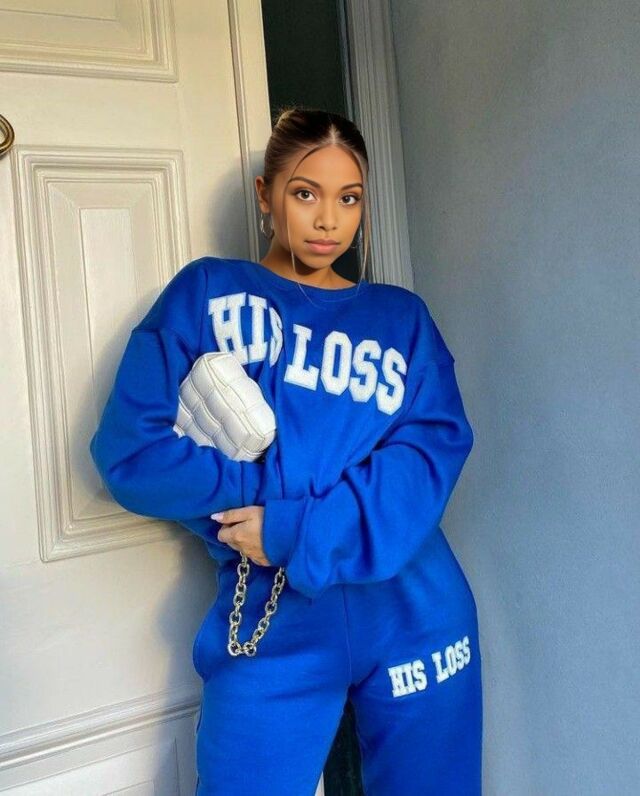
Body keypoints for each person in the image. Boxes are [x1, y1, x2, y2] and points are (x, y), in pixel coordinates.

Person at [89, 107, 483, 795]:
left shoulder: (402, 319)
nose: (329, 220)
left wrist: (293, 526)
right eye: (305, 193)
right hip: (270, 616)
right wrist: (260, 502)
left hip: (415, 605)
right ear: (265, 194)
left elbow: (427, 458)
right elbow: (133, 452)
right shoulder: (206, 295)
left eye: (348, 198)